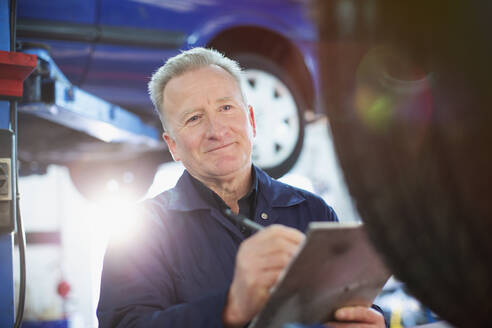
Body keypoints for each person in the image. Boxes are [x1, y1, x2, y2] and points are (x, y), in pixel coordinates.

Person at [97, 47, 386, 328]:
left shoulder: (312, 211)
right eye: (194, 118)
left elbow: (346, 301)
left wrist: (369, 319)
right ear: (173, 146)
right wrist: (229, 308)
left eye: (226, 107)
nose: (217, 130)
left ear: (251, 121)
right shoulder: (142, 232)